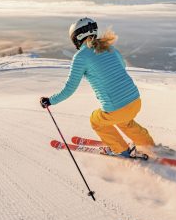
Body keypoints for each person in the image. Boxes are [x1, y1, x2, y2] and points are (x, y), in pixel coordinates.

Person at [40, 17, 155, 158]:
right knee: (124, 121)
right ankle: (148, 145)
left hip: (116, 108)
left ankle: (120, 150)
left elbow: (70, 88)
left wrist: (50, 101)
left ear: (77, 37)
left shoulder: (81, 57)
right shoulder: (109, 47)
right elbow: (122, 66)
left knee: (96, 120)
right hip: (135, 101)